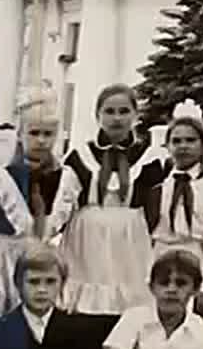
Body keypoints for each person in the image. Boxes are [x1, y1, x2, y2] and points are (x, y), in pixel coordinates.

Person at [46, 84, 167, 314]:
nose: (116, 118)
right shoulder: (80, 155)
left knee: (128, 305)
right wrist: (46, 234)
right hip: (87, 238)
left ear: (135, 115)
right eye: (109, 111)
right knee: (84, 303)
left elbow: (155, 209)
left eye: (124, 111)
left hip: (129, 239)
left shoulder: (149, 157)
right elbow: (65, 200)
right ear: (98, 115)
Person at [142, 103, 203, 318]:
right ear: (168, 145)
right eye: (176, 141)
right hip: (160, 258)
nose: (183, 146)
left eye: (190, 140)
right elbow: (147, 234)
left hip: (196, 259)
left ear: (202, 145)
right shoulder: (159, 185)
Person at [0, 99, 61, 317]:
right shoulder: (1, 174)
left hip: (43, 257)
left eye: (48, 134)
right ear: (20, 134)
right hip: (6, 255)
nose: (41, 140)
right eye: (34, 133)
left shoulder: (64, 176)